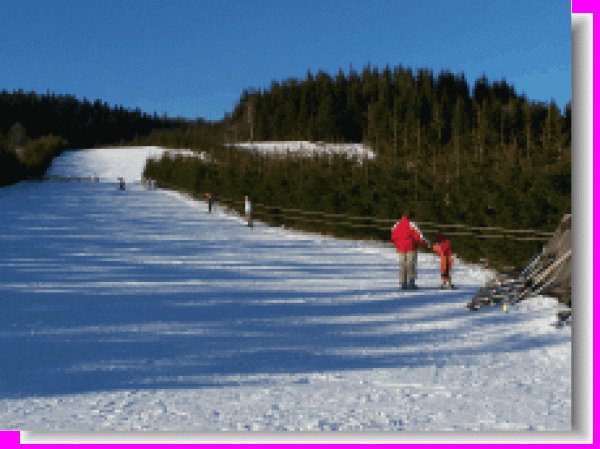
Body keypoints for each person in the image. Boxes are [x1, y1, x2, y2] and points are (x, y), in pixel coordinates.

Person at [391, 210, 430, 290]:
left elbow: (393, 237)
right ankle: (411, 283)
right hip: (411, 248)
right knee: (410, 265)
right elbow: (419, 236)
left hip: (401, 249)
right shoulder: (411, 224)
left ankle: (403, 283)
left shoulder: (396, 225)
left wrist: (397, 245)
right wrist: (427, 244)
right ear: (411, 217)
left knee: (402, 265)